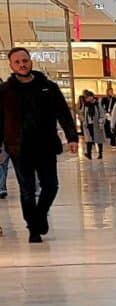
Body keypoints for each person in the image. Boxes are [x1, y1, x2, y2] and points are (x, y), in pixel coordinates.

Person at [0, 47, 78, 243]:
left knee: (51, 185)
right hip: (19, 148)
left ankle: (39, 215)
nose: (22, 64)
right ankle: (33, 228)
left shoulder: (48, 87)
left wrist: (72, 137)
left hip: (45, 146)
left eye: (24, 60)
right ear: (11, 65)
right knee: (27, 189)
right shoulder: (5, 92)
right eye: (17, 62)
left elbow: (63, 113)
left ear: (31, 61)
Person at [79, 90, 105, 159]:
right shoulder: (85, 105)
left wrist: (101, 121)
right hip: (88, 124)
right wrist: (83, 120)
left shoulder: (97, 104)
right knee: (89, 140)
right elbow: (81, 113)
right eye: (86, 98)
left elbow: (102, 113)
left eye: (88, 97)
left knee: (99, 139)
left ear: (92, 97)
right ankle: (89, 154)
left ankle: (100, 154)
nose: (87, 99)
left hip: (97, 124)